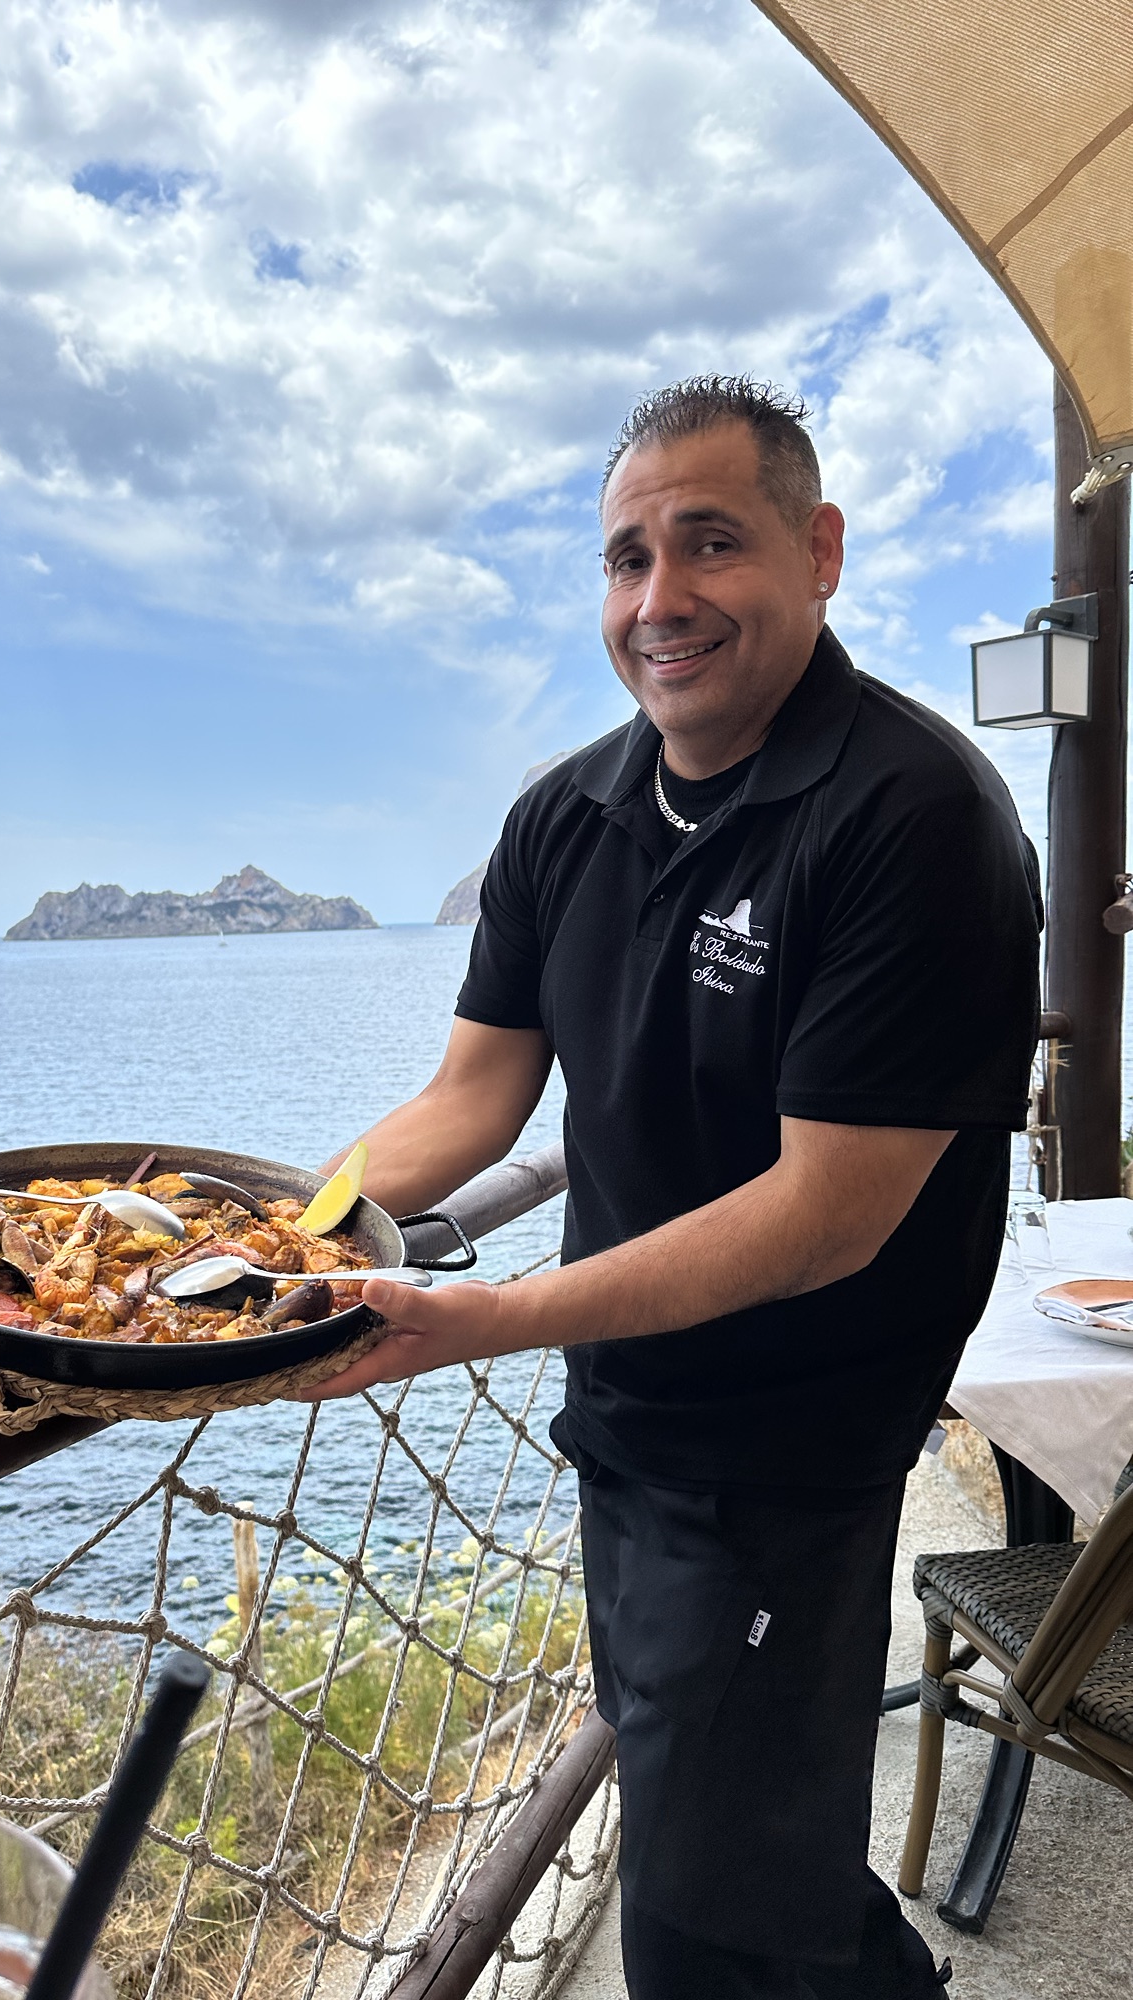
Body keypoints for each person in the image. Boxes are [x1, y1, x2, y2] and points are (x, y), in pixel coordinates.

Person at [304, 377, 1043, 1999]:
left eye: (712, 543)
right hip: (627, 1422)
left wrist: (480, 1317)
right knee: (746, 1855)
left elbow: (824, 1213)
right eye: (628, 557)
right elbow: (470, 1098)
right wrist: (254, 1241)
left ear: (819, 551)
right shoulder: (566, 815)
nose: (661, 599)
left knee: (711, 1923)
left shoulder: (914, 816)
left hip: (791, 1449)